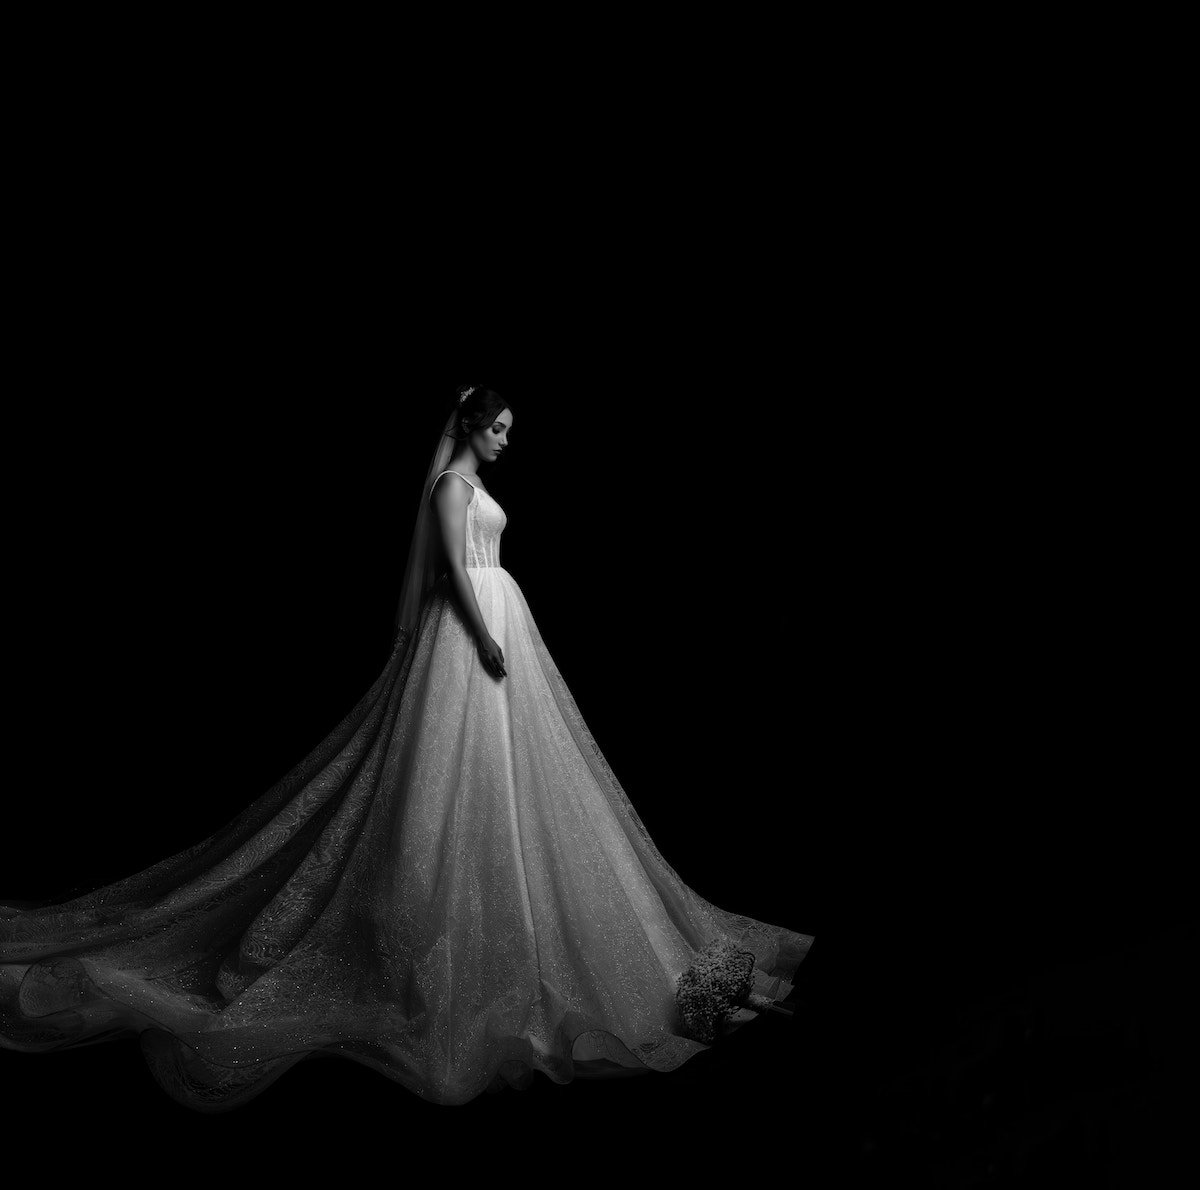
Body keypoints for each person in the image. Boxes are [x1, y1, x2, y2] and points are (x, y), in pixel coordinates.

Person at [0, 384, 813, 1110]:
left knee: (521, 771)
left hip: (500, 620)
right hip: (474, 628)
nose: (504, 440)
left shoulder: (473, 482)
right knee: (448, 772)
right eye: (497, 428)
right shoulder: (453, 486)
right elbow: (454, 573)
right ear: (469, 426)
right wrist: (482, 639)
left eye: (507, 430)